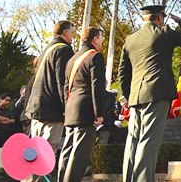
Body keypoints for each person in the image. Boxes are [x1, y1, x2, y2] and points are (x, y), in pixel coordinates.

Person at [117, 5, 181, 181]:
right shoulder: (164, 33)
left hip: (135, 97)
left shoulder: (130, 40)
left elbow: (122, 72)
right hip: (156, 94)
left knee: (133, 142)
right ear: (160, 18)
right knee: (149, 142)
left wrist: (128, 94)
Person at [57, 27, 105, 182]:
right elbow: (96, 87)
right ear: (95, 39)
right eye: (101, 38)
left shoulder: (72, 59)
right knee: (79, 156)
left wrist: (66, 108)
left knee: (67, 151)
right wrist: (99, 113)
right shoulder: (94, 57)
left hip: (71, 109)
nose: (102, 42)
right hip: (86, 110)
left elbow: (66, 87)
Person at [25, 20, 75, 153]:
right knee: (46, 153)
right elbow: (63, 82)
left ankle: (31, 174)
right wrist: (67, 107)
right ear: (65, 32)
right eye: (72, 33)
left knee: (34, 153)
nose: (72, 37)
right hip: (52, 111)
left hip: (36, 108)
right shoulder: (64, 50)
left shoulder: (46, 51)